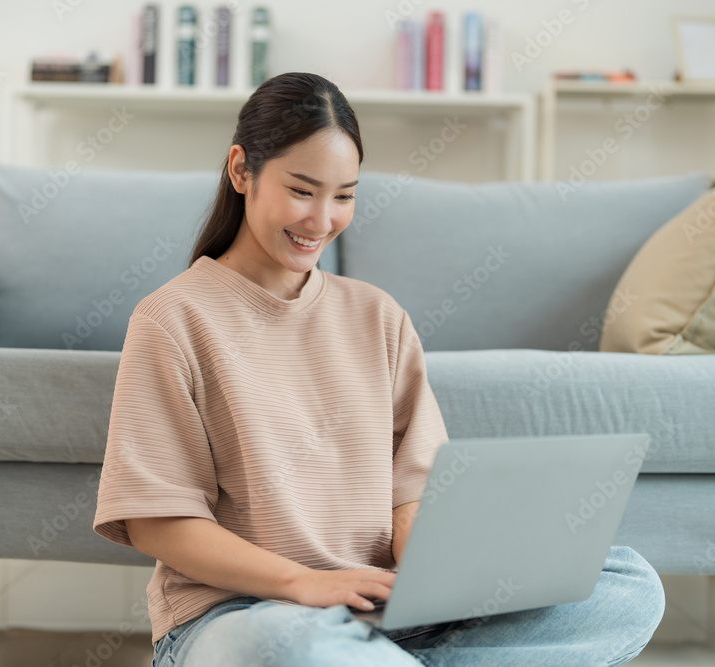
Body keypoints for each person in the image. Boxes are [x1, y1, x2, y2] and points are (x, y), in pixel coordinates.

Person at [92, 71, 666, 667]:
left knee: (628, 584)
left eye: (343, 196)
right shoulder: (172, 319)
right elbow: (157, 524)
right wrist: (301, 584)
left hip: (384, 617)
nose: (321, 220)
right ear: (242, 170)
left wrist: (444, 583)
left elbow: (412, 496)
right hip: (243, 618)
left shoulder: (378, 316)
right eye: (302, 190)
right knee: (279, 647)